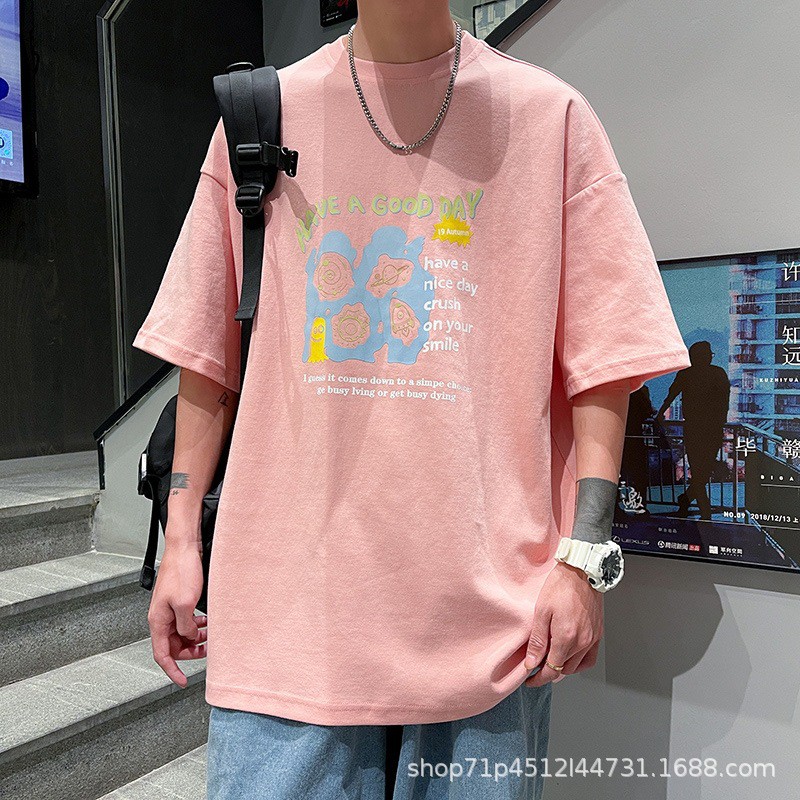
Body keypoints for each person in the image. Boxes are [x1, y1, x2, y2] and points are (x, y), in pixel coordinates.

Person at [132, 2, 691, 797]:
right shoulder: (263, 118)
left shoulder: (552, 120)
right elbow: (205, 359)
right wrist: (181, 542)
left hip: (490, 629)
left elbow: (606, 363)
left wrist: (584, 561)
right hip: (291, 618)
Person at [657, 340, 731, 520]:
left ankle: (690, 502)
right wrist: (721, 422)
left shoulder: (686, 374)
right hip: (712, 429)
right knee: (703, 471)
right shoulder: (718, 373)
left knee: (699, 471)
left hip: (693, 429)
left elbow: (671, 395)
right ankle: (701, 510)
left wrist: (659, 414)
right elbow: (725, 401)